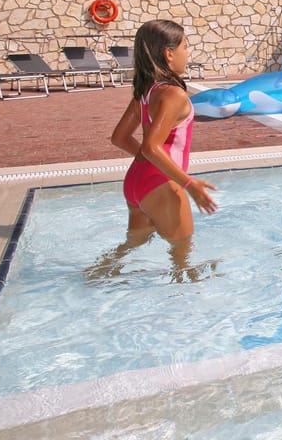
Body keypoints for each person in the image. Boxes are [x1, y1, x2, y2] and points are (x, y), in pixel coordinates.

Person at [86, 20, 218, 282]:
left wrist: (145, 162)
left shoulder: (145, 92)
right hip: (162, 185)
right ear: (169, 54)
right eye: (185, 47)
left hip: (136, 183)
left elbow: (120, 138)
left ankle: (95, 275)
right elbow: (151, 146)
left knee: (133, 243)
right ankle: (186, 311)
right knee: (182, 259)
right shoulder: (173, 94)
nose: (187, 54)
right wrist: (189, 184)